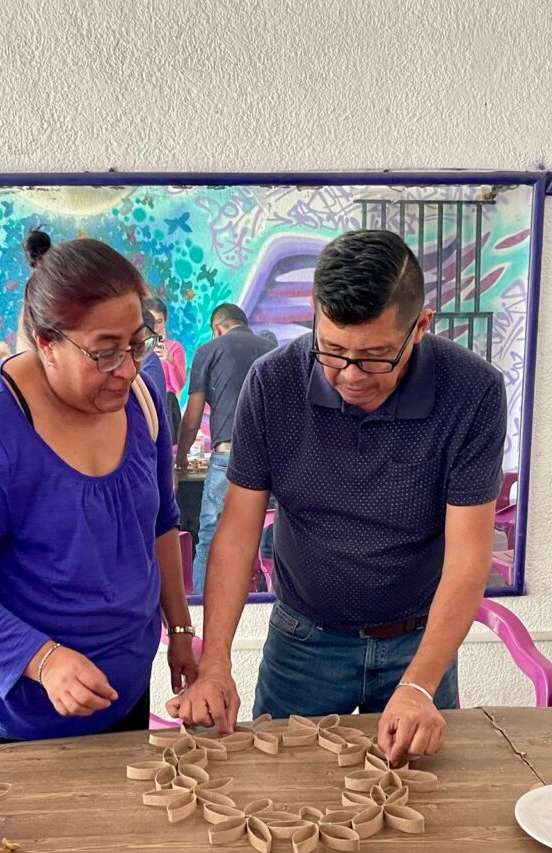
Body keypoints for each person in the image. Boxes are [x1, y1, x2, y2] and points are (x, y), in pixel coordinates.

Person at [171, 230, 507, 764]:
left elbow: (469, 555)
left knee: (421, 804)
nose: (349, 374)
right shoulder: (272, 383)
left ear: (420, 328)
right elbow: (235, 535)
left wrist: (420, 685)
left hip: (417, 644)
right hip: (304, 641)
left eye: (375, 356)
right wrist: (215, 665)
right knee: (279, 796)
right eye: (331, 349)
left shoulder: (473, 391)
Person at [0, 229, 198, 747]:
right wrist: (43, 659)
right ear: (46, 344)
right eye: (105, 353)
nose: (127, 368)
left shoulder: (143, 398)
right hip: (16, 715)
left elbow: (161, 524)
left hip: (121, 692)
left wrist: (178, 631)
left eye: (137, 343)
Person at [176, 303, 276, 592]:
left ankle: (200, 611)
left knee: (210, 535)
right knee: (264, 539)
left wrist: (181, 456)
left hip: (228, 455)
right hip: (269, 457)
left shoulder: (210, 350)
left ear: (217, 328)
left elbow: (193, 415)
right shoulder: (270, 350)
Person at [145, 297, 187, 441]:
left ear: (165, 321)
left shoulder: (175, 348)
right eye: (152, 322)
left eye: (159, 322)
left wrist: (169, 360)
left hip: (168, 402)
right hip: (145, 399)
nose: (155, 327)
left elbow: (178, 386)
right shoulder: (138, 348)